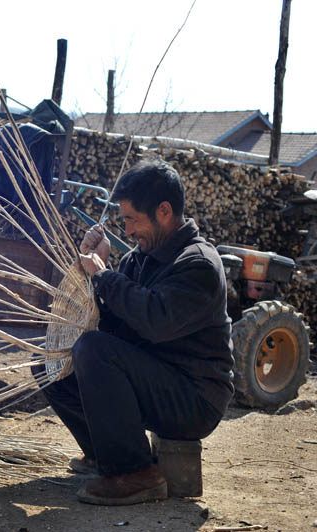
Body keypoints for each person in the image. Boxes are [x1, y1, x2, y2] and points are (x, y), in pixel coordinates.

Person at [45, 157, 234, 506]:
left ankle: (135, 474)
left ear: (164, 211)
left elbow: (155, 322)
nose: (128, 231)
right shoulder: (139, 258)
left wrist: (104, 275)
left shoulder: (198, 265)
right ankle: (108, 457)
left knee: (94, 349)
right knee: (51, 367)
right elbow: (116, 323)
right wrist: (89, 271)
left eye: (133, 220)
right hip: (156, 379)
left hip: (194, 398)